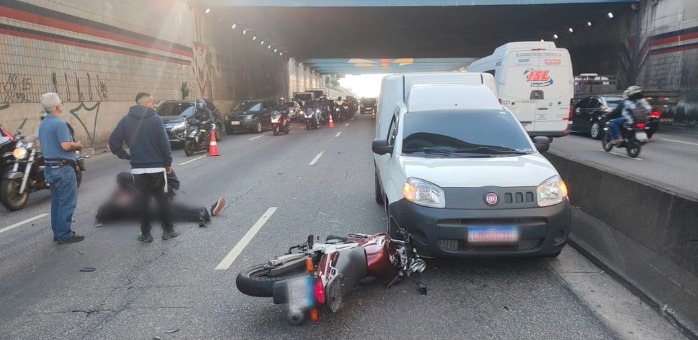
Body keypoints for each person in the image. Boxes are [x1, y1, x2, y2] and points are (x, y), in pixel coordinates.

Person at [109, 92, 179, 242]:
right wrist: (168, 164)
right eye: (153, 103)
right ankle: (168, 231)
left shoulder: (125, 121)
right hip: (158, 168)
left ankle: (146, 234)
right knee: (162, 201)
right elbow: (164, 144)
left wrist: (126, 155)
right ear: (147, 104)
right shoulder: (156, 120)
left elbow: (114, 142)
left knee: (143, 202)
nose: (154, 105)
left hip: (138, 170)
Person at [38, 92, 84, 244]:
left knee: (57, 202)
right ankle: (65, 234)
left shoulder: (44, 123)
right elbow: (66, 145)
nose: (62, 105)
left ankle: (58, 233)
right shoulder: (59, 123)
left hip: (50, 168)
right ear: (58, 106)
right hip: (63, 169)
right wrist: (78, 145)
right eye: (61, 103)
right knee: (67, 202)